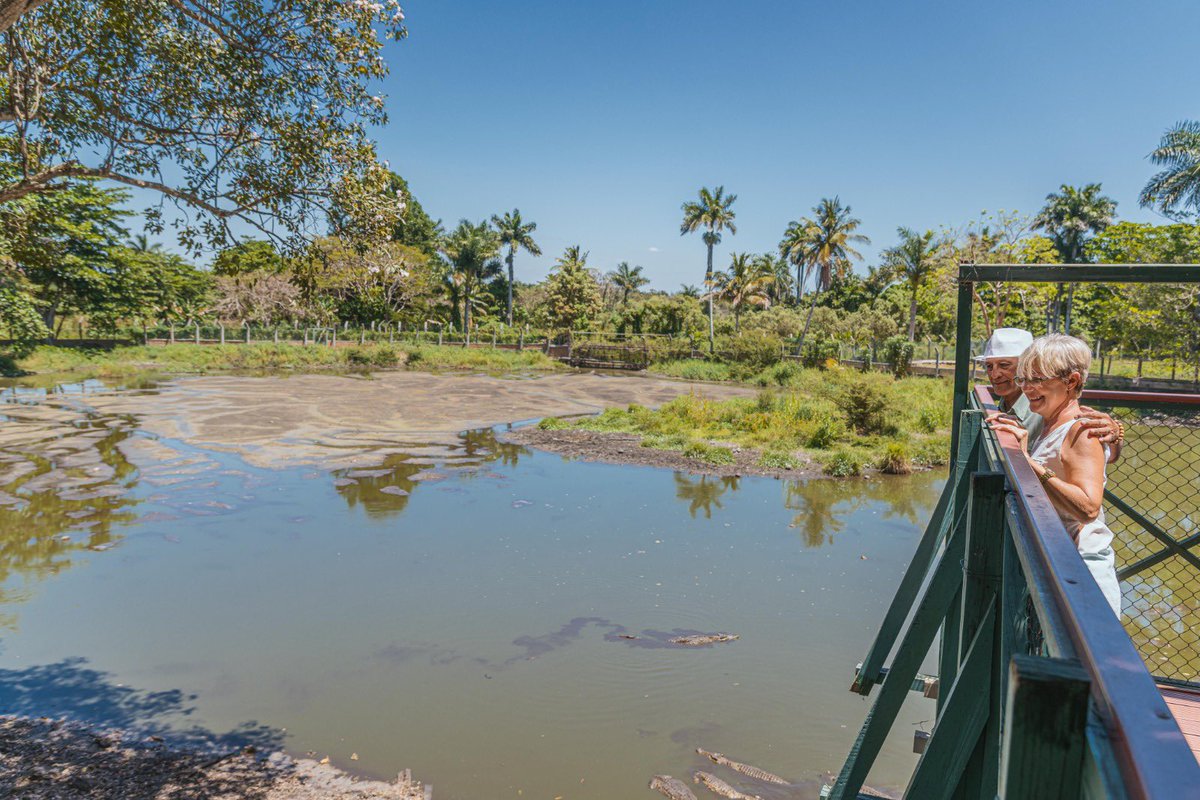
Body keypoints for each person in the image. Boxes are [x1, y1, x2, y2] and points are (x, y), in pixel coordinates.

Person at [987, 334, 1121, 615]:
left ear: (1071, 381)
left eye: (1037, 379)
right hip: (1059, 561)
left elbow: (1088, 508)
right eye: (1023, 379)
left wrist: (1027, 463)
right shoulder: (1049, 424)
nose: (1027, 388)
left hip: (1083, 571)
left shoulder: (1082, 430)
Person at [976, 328, 1123, 458]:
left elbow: (1092, 450)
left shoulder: (1046, 405)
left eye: (1004, 365)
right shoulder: (1014, 403)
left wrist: (1115, 434)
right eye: (989, 366)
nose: (994, 374)